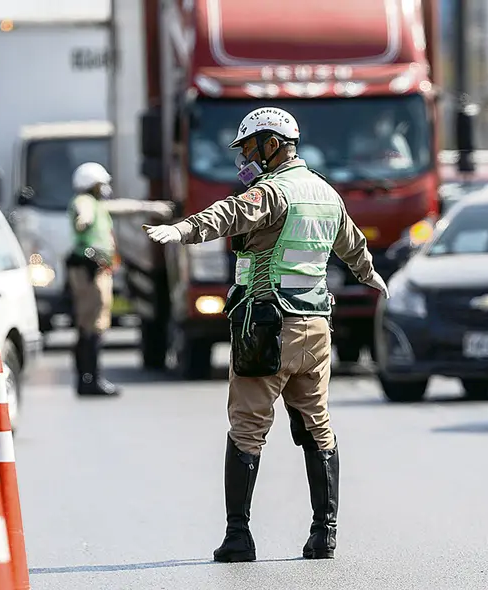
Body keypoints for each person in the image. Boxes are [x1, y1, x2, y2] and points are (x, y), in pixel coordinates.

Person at [143, 107, 389, 562]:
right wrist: (370, 275)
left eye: (250, 147)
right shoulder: (326, 194)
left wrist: (181, 230)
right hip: (316, 329)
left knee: (247, 428)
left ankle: (239, 536)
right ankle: (324, 534)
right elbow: (353, 246)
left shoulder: (272, 192)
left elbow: (229, 214)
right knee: (318, 426)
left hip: (266, 327)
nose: (245, 158)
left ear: (273, 144)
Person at [67, 162, 174, 396]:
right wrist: (82, 221)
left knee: (93, 322)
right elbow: (82, 213)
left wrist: (152, 207)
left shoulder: (98, 205)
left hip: (95, 269)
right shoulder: (85, 203)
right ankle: (90, 379)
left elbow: (123, 207)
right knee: (93, 323)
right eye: (101, 185)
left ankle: (88, 378)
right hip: (89, 270)